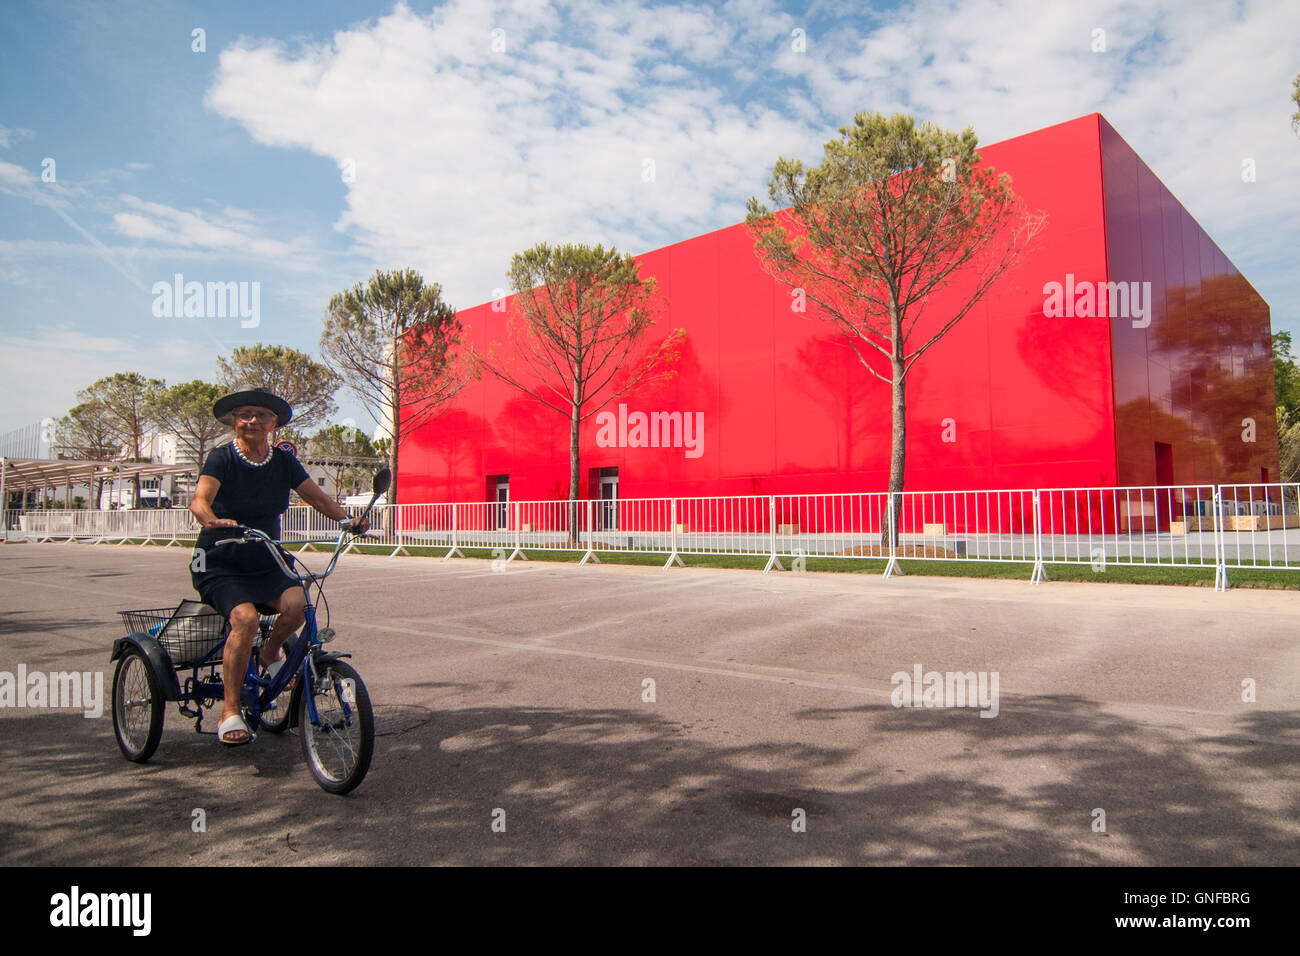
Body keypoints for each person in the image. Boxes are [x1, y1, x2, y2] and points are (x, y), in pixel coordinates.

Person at [189, 388, 369, 745]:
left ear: (274, 423)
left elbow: (315, 497)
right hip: (220, 559)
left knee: (298, 607)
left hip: (267, 558)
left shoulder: (283, 461)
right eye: (245, 414)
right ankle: (230, 711)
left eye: (261, 415)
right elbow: (200, 499)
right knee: (244, 619)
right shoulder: (222, 457)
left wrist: (348, 521)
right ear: (234, 421)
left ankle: (269, 652)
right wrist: (212, 520)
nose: (253, 420)